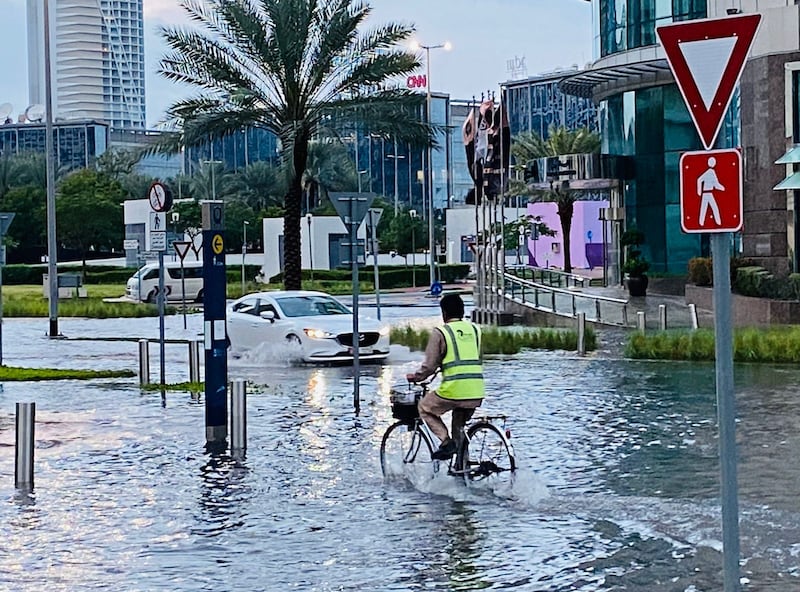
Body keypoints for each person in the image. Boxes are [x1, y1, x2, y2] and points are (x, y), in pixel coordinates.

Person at [406, 293, 484, 460]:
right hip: (476, 391)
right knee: (459, 428)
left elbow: (430, 365)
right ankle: (462, 468)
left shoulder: (441, 332)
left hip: (454, 390)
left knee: (424, 408)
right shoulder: (475, 330)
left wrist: (416, 377)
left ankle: (446, 441)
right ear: (462, 312)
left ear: (444, 313)